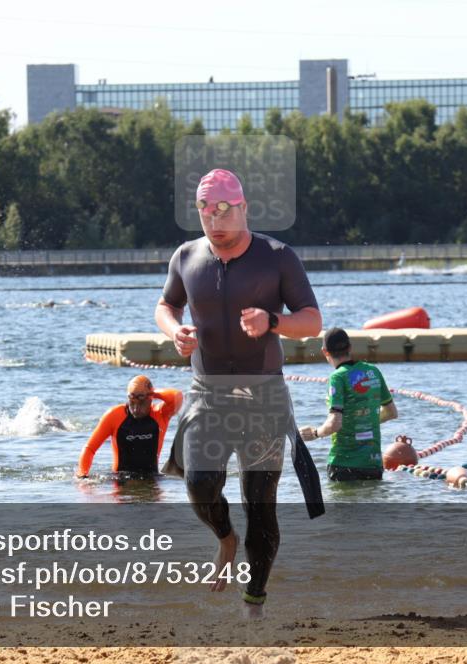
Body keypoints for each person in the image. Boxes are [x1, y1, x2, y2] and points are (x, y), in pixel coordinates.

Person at [155, 168, 323, 618]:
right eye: (206, 211)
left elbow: (312, 321)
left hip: (263, 397)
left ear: (244, 208)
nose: (216, 220)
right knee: (199, 483)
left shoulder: (277, 257)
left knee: (260, 505)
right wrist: (174, 331)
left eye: (225, 210)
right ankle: (225, 539)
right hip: (207, 394)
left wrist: (273, 321)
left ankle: (254, 603)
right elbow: (166, 304)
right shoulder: (186, 257)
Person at [299, 328, 398, 481]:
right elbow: (391, 412)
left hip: (344, 465)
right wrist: (364, 421)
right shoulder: (373, 371)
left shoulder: (338, 377)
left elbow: (334, 423)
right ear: (350, 347)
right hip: (373, 464)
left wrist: (315, 433)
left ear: (325, 351)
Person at [76, 375, 182, 477]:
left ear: (150, 398)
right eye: (132, 402)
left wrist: (153, 392)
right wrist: (82, 475)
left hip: (151, 480)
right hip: (119, 481)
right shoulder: (114, 416)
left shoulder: (160, 414)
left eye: (141, 402)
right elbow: (90, 448)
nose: (136, 409)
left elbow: (177, 396)